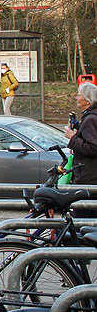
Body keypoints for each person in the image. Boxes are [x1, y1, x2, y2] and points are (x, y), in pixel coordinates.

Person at [65, 83, 97, 215]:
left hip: (87, 178)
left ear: (88, 100)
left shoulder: (90, 119)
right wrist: (78, 127)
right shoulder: (91, 117)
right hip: (90, 177)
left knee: (81, 219)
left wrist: (73, 139)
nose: (76, 98)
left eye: (79, 95)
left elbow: (94, 148)